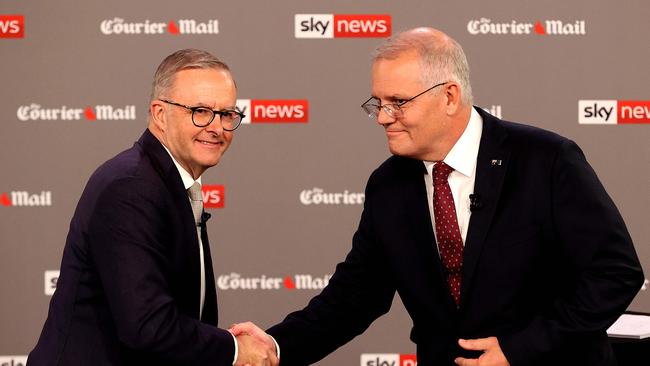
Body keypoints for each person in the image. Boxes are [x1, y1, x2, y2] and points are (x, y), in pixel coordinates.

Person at [231, 28, 644, 366]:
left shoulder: (546, 160)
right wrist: (275, 347)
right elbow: (354, 297)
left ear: (448, 96)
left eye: (398, 102)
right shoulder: (388, 185)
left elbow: (615, 274)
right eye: (377, 102)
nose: (382, 117)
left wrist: (521, 348)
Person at [28, 49, 278, 366]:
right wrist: (234, 350)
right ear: (159, 114)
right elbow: (146, 324)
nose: (217, 127)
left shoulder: (166, 181)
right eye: (200, 111)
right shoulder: (131, 186)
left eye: (227, 114)